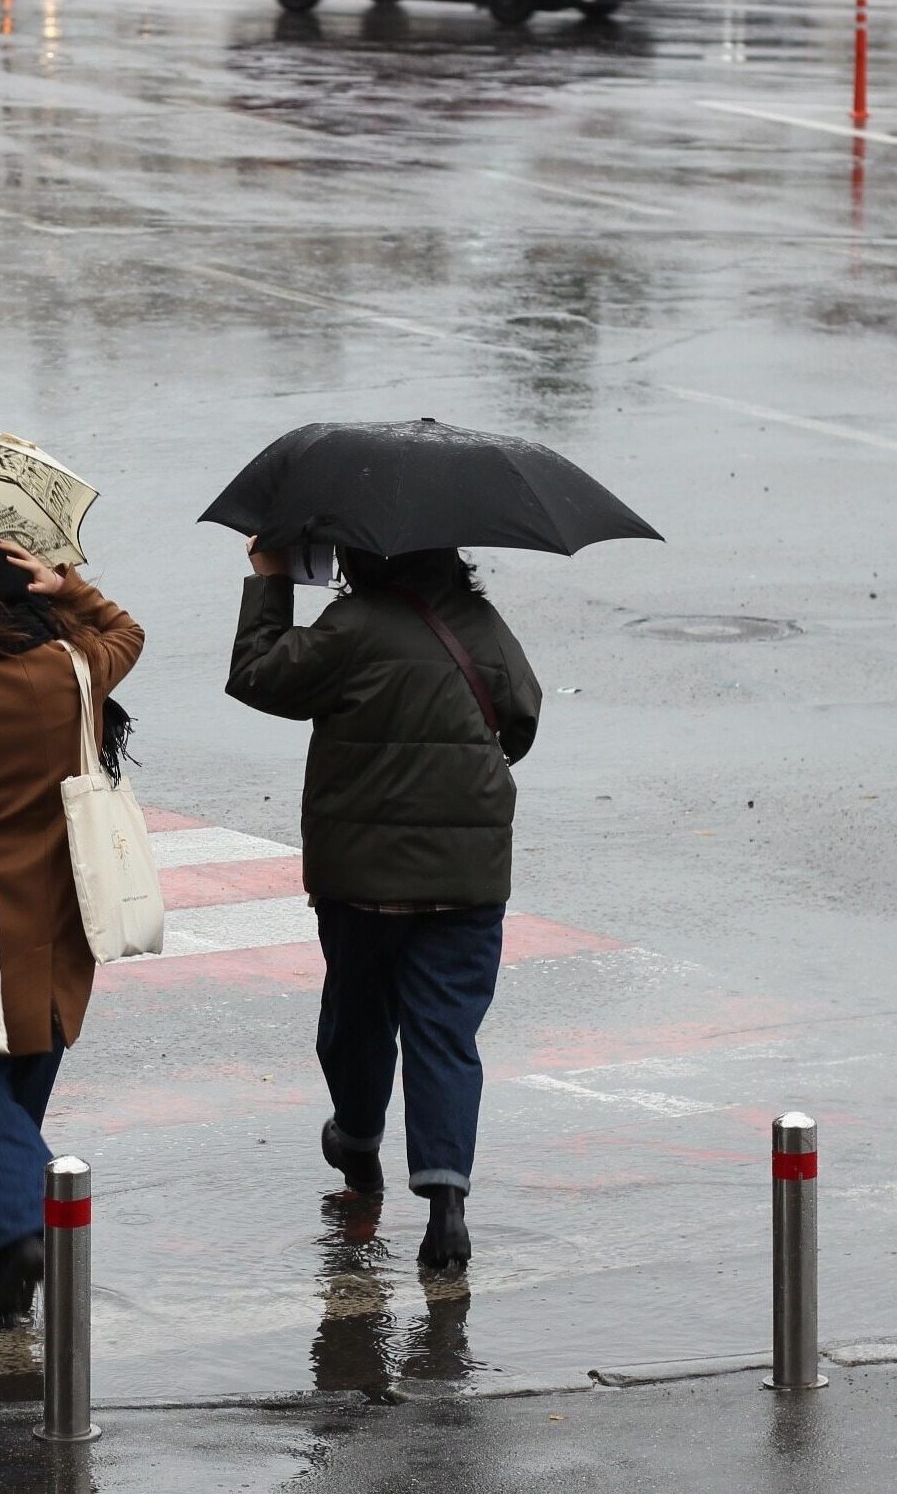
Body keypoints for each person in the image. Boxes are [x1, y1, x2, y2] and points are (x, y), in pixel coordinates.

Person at [224, 541, 539, 1271]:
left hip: (360, 879)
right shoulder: (480, 624)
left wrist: (270, 581)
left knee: (358, 1017)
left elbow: (256, 674)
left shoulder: (349, 626)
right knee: (446, 1036)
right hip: (466, 879)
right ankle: (446, 1205)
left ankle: (359, 1147)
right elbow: (522, 717)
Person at [0, 532, 145, 1326]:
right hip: (65, 907)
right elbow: (128, 633)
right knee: (15, 1079)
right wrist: (66, 584)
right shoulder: (72, 672)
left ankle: (15, 1229)